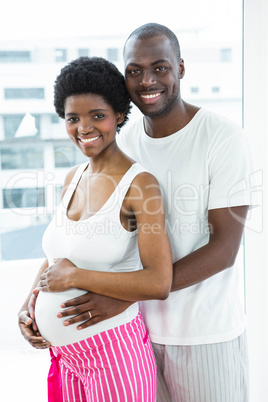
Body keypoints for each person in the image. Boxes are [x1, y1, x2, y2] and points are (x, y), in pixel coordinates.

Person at [20, 23, 255, 402]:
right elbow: (74, 239)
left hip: (202, 331)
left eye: (160, 67)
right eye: (134, 71)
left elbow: (225, 249)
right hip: (135, 332)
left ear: (181, 67)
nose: (147, 80)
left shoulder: (222, 137)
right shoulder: (120, 141)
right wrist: (33, 299)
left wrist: (125, 296)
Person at [18, 55, 173, 402]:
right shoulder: (73, 178)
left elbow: (159, 281)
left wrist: (75, 278)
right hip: (67, 359)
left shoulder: (139, 185)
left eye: (97, 116)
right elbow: (57, 259)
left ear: (118, 115)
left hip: (113, 355)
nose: (83, 128)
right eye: (73, 118)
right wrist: (29, 305)